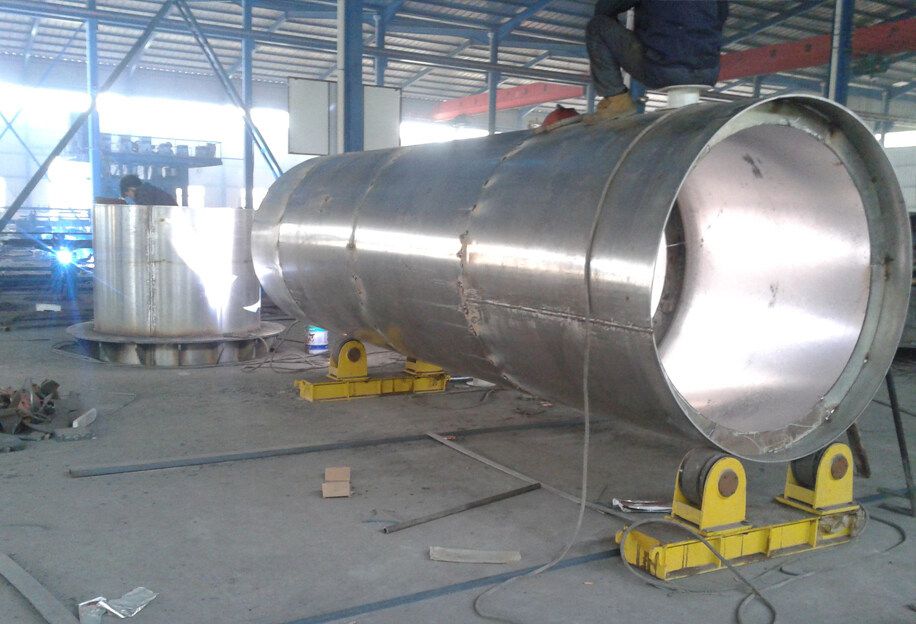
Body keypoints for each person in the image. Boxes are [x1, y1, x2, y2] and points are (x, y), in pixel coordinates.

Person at [587, 0, 729, 118]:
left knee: (598, 25)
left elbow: (604, 8)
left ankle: (617, 100)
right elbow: (722, 15)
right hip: (708, 71)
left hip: (663, 69)